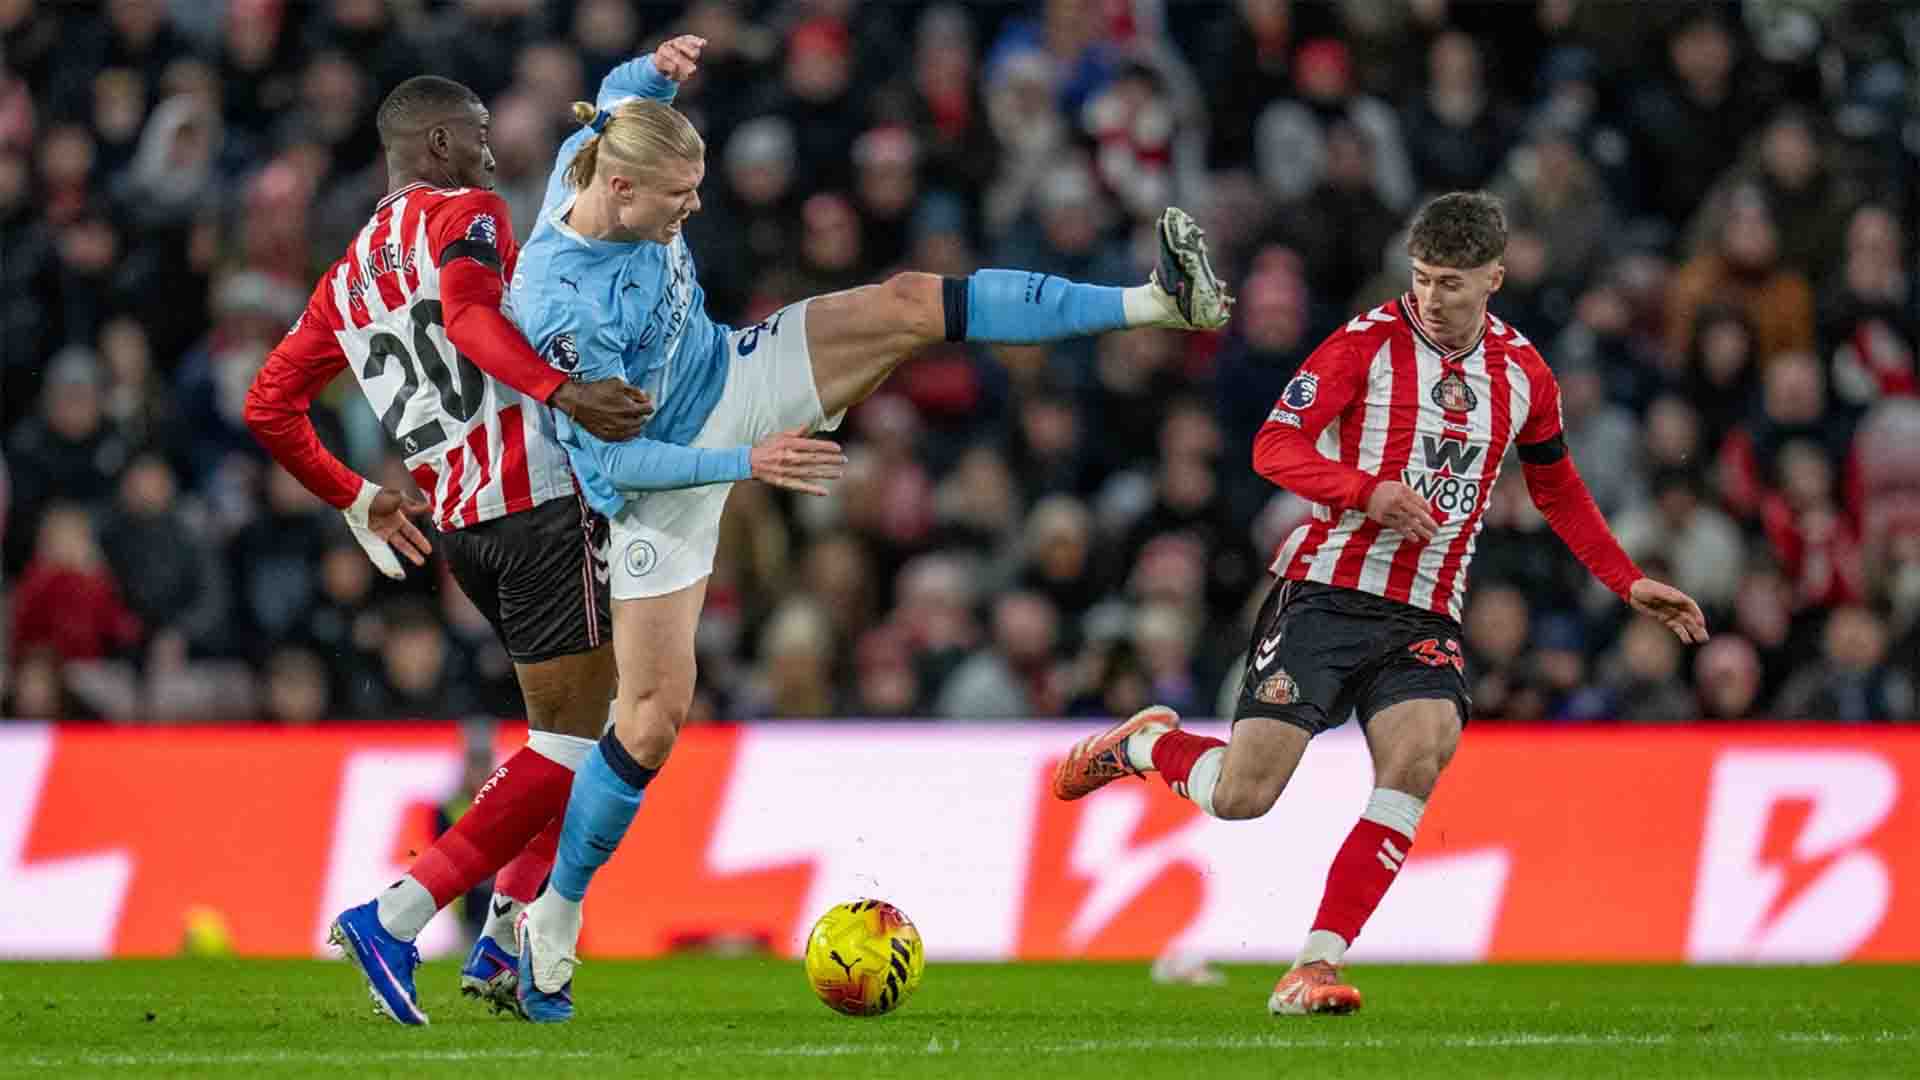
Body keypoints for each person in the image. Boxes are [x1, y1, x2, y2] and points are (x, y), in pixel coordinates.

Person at [506, 36, 1233, 1022]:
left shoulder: (602, 149)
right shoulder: (561, 307)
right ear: (623, 192)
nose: (694, 211)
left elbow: (617, 91)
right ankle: (554, 915)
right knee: (648, 720)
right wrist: (744, 465)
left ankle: (1160, 301)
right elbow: (609, 466)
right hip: (658, 477)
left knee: (903, 302)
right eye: (679, 199)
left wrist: (658, 66)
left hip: (730, 368)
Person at [1051, 192, 1707, 1016]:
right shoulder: (1365, 345)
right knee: (1243, 797)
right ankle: (1149, 747)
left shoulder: (1525, 374)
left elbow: (1557, 488)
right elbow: (1272, 446)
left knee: (1419, 756)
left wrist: (1626, 578)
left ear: (1494, 279)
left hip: (1425, 614)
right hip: (1326, 595)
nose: (1432, 298)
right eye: (1423, 279)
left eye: (1453, 284)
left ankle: (1313, 966)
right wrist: (1369, 493)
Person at [243, 74, 685, 1026]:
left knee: (588, 732)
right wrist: (562, 395)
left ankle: (502, 937)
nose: (493, 152)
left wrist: (359, 498)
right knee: (586, 742)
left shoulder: (345, 276)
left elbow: (268, 406)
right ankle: (399, 917)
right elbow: (473, 320)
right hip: (538, 502)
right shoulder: (468, 213)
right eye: (478, 136)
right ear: (438, 144)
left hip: (463, 528)